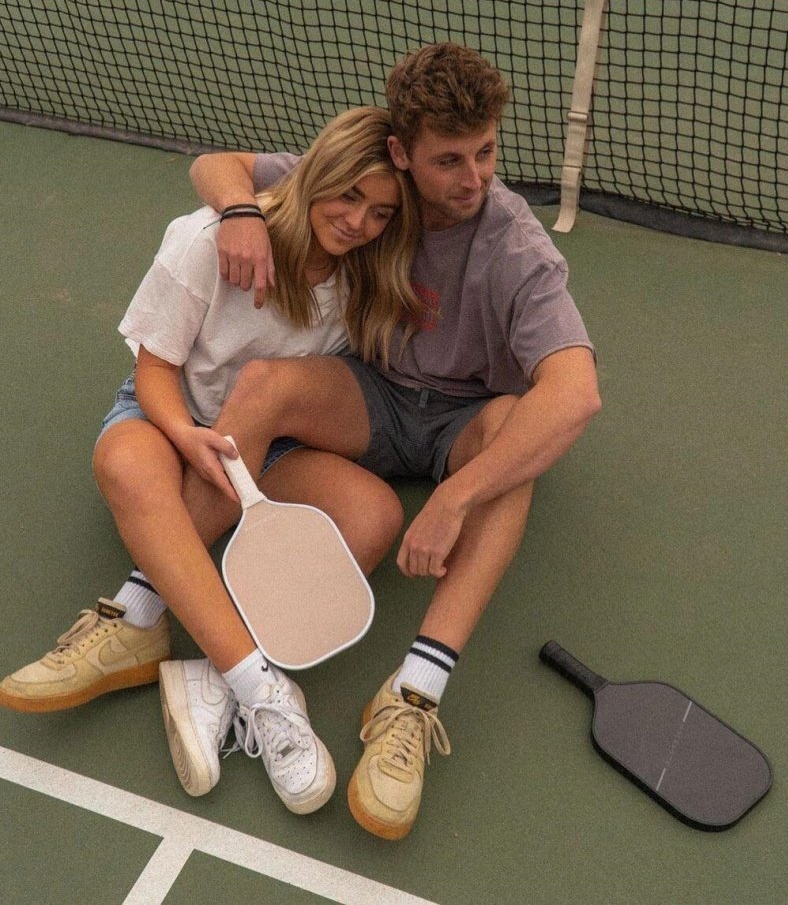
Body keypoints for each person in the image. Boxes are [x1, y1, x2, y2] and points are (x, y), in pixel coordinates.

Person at [176, 42, 601, 839]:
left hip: (462, 423)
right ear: (402, 156)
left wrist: (455, 496)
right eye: (449, 160)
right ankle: (137, 604)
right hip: (368, 397)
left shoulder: (512, 243)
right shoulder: (372, 189)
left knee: (519, 444)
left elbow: (577, 395)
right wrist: (239, 212)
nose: (472, 178)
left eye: (485, 152)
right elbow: (216, 164)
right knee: (264, 383)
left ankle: (415, 690)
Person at [0, 106, 423, 816]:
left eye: (379, 213)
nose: (358, 221)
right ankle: (257, 685)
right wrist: (185, 435)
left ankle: (204, 673)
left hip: (270, 446)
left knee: (373, 514)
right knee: (127, 469)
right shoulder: (204, 238)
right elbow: (155, 368)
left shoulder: (363, 278)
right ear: (315, 172)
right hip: (166, 416)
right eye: (348, 195)